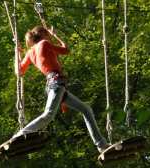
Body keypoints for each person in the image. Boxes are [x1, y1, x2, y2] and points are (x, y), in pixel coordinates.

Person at [13, 25, 109, 153]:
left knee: (86, 109)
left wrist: (17, 53)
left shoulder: (30, 52)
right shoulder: (45, 43)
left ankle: (101, 145)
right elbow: (66, 50)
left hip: (54, 84)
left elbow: (19, 71)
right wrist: (55, 35)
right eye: (47, 34)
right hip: (56, 83)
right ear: (43, 35)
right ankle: (19, 135)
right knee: (48, 115)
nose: (49, 36)